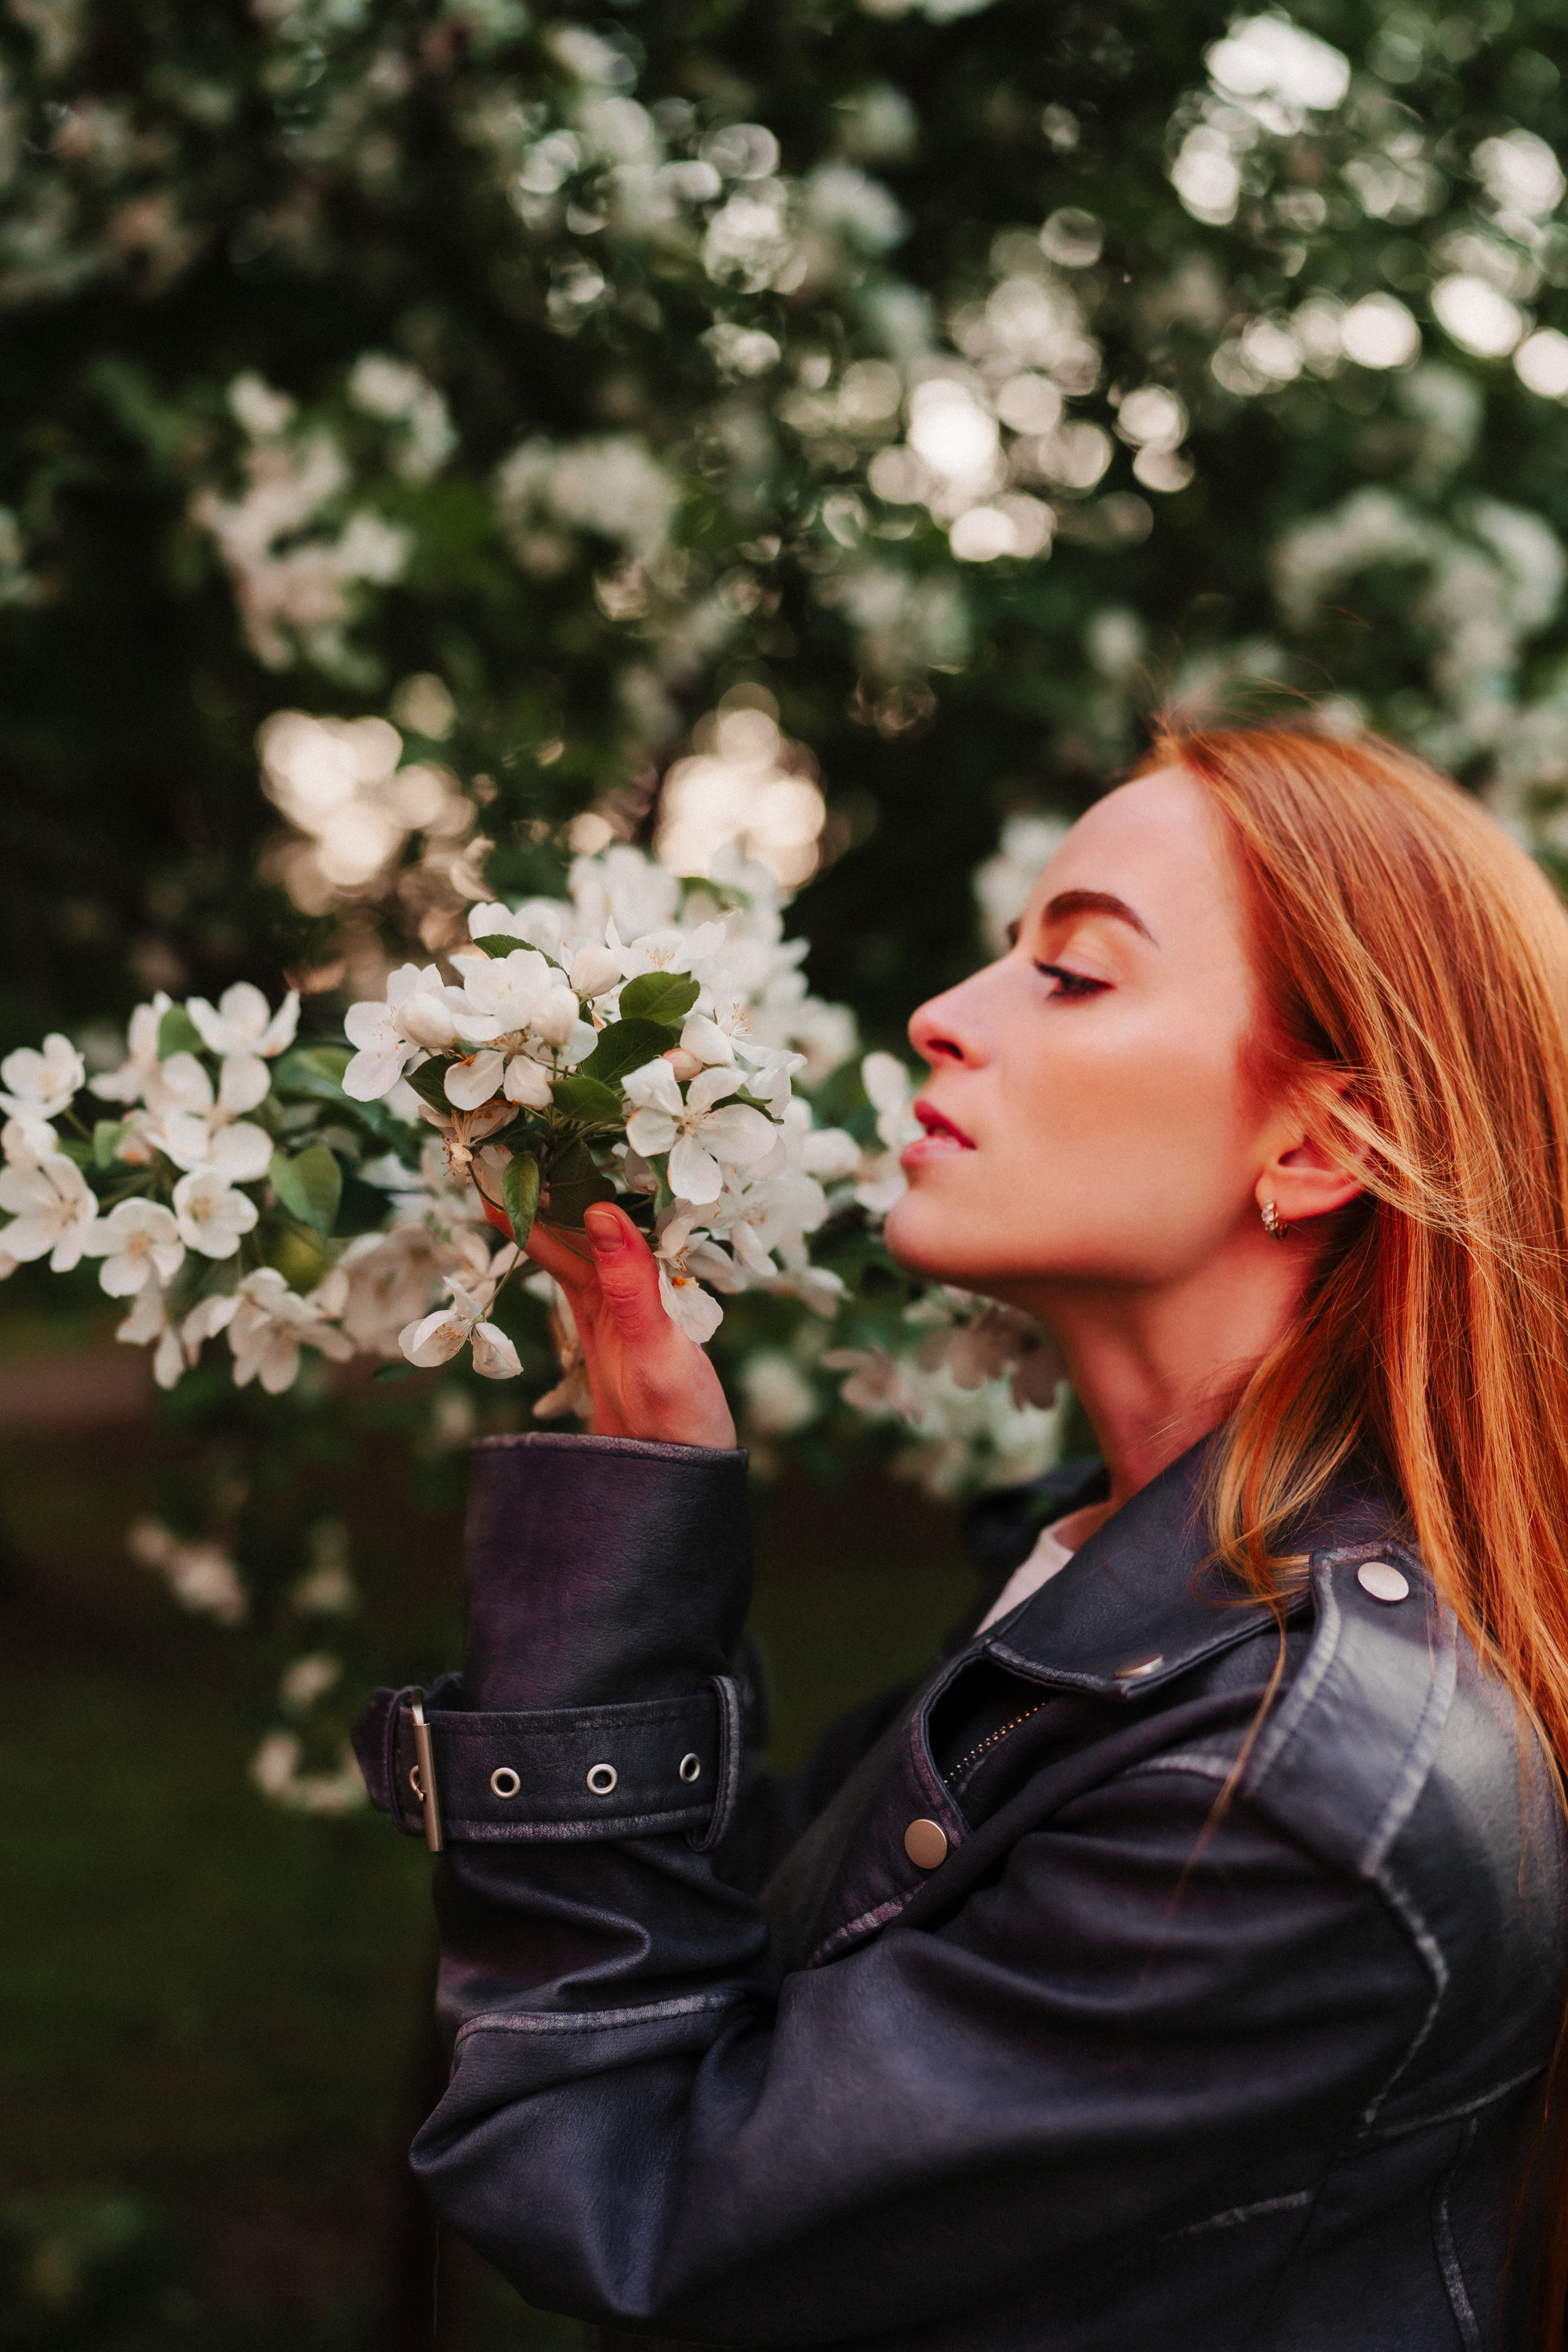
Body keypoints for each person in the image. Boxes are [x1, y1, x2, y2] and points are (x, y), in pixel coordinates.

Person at [354, 726, 1568, 2350]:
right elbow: (775, 1941)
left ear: (1315, 1144)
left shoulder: (1289, 1790)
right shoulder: (1129, 1578)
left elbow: (629, 2191)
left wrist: (615, 1568)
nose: (942, 1015)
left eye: (1072, 974)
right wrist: (642, 1511)